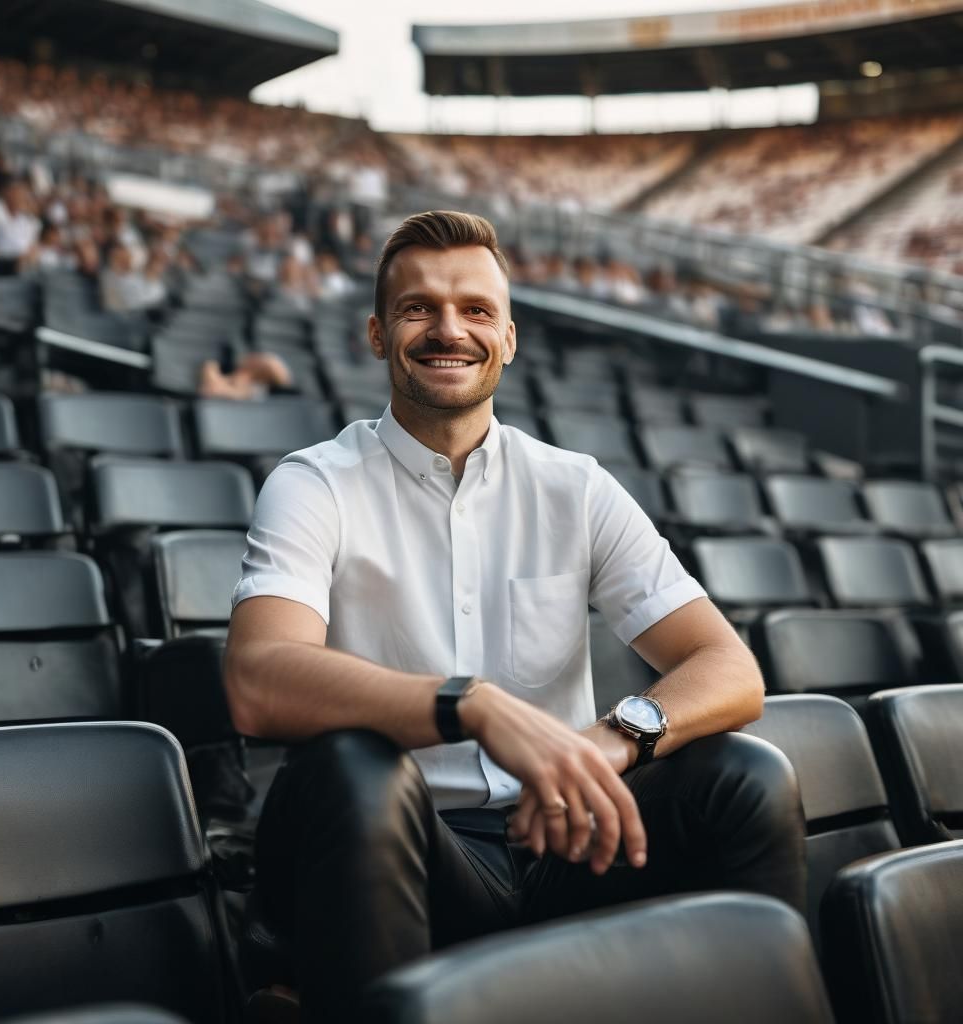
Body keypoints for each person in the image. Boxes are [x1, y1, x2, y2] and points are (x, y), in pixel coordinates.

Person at [225, 211, 805, 1023]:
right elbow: (257, 680)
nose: (448, 329)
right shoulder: (315, 483)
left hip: (565, 835)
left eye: (475, 310)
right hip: (405, 847)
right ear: (377, 333)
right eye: (418, 308)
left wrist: (611, 744)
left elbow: (729, 669)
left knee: (747, 777)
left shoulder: (576, 486)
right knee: (354, 769)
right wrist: (472, 703)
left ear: (508, 336)